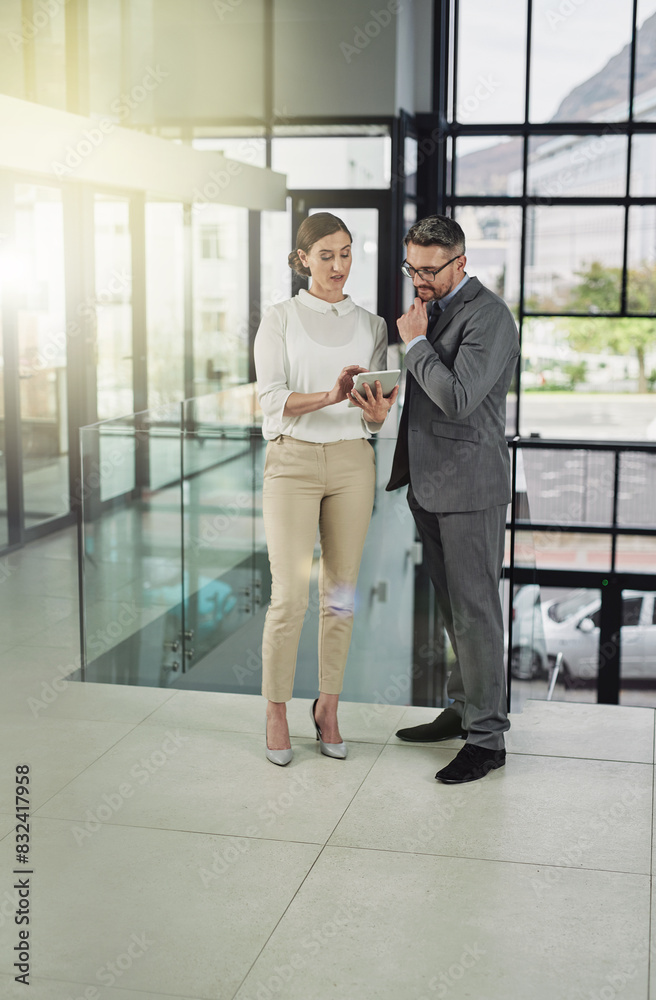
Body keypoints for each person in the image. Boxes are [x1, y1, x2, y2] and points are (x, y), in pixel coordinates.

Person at [255, 212, 398, 766]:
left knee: (340, 595)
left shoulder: (373, 324)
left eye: (346, 253)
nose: (339, 265)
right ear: (303, 260)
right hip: (290, 463)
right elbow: (271, 400)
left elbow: (374, 418)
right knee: (288, 597)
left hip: (351, 464)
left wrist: (375, 413)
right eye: (325, 256)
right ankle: (275, 711)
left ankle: (328, 708)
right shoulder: (280, 319)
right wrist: (330, 394)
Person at [386, 214, 519, 784]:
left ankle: (488, 739)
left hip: (470, 489)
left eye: (430, 270)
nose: (419, 279)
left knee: (476, 612)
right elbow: (421, 394)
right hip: (431, 485)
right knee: (452, 611)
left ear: (461, 263)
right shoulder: (432, 309)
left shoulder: (489, 316)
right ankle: (464, 709)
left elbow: (459, 398)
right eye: (411, 267)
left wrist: (414, 343)